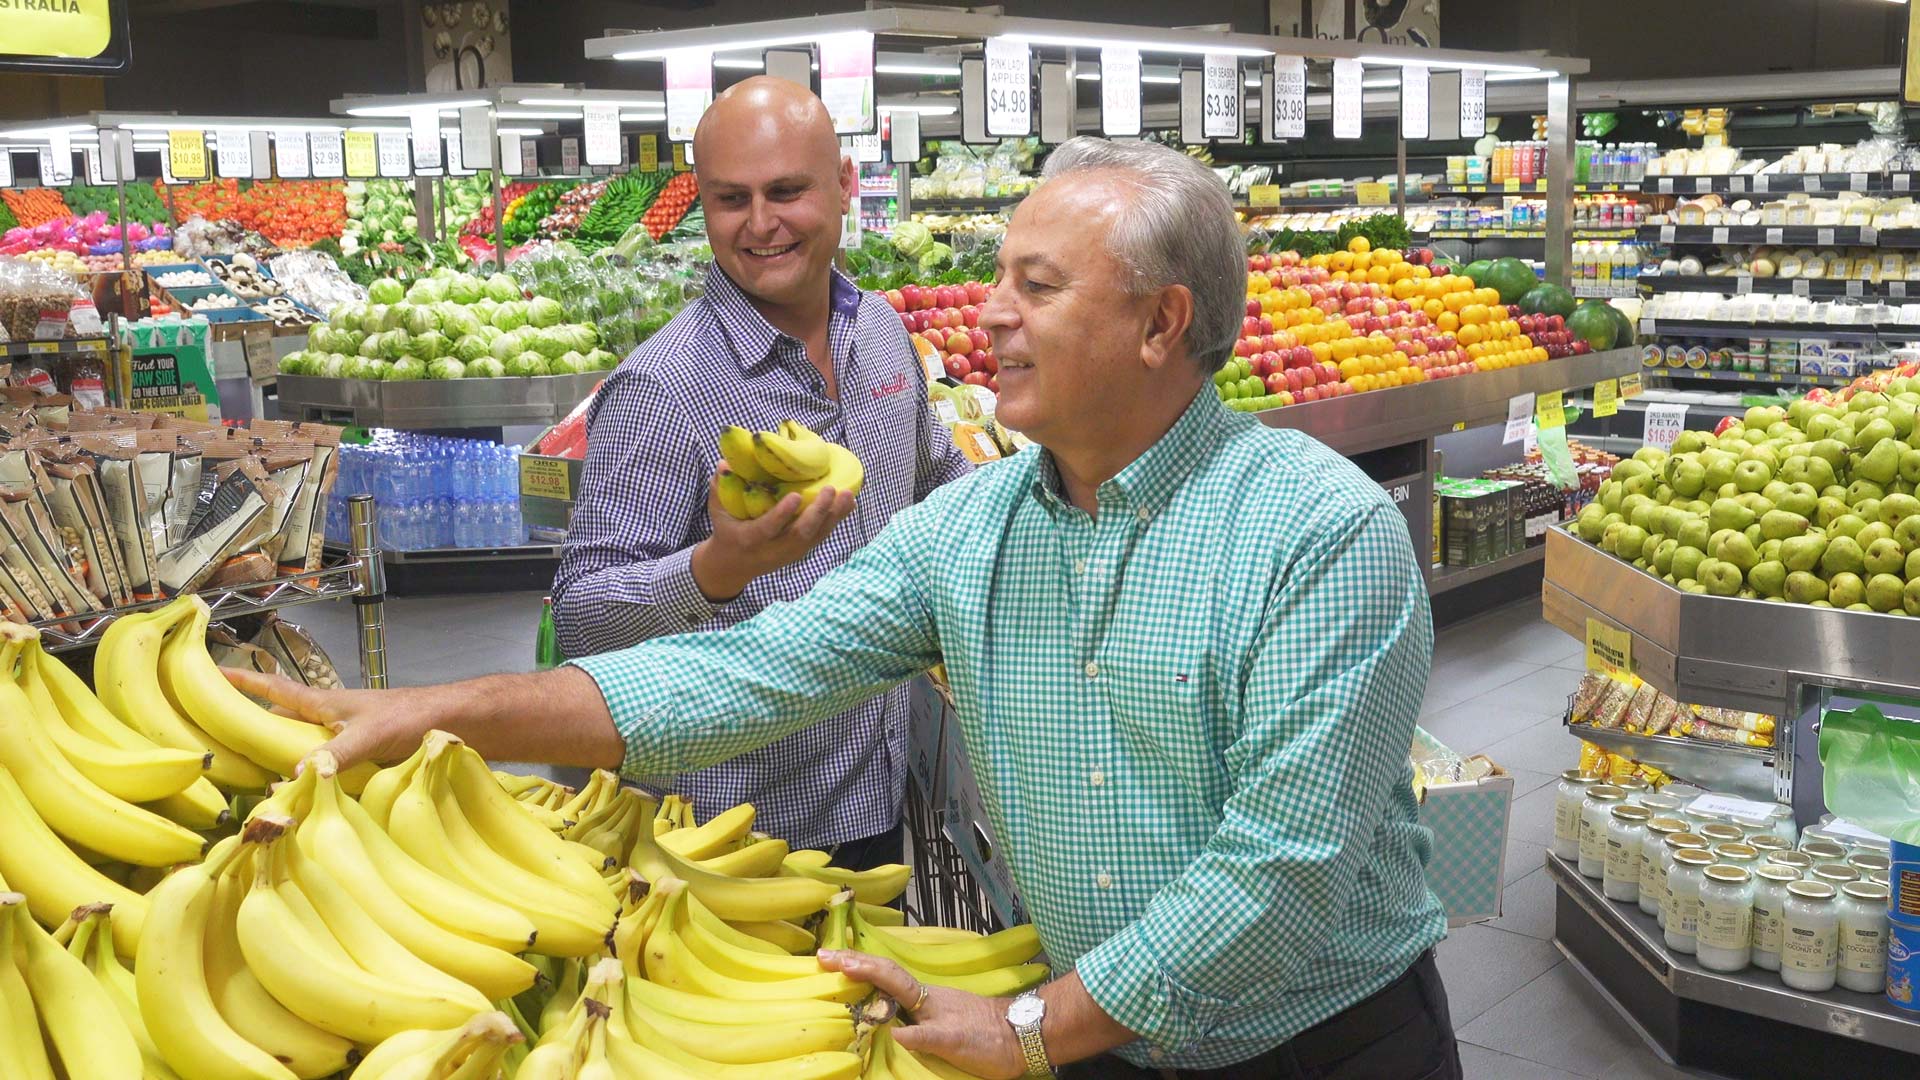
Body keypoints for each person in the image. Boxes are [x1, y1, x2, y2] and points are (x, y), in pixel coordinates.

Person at [237, 136, 1457, 1080]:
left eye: (1035, 287)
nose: (987, 315)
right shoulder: (967, 533)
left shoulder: (1319, 533)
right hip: (1098, 1042)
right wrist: (426, 715)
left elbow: (1279, 875)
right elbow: (734, 675)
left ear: (1160, 323)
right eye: (995, 280)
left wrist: (1031, 1029)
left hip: (1322, 1044)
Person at [549, 76, 971, 864]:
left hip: (877, 792)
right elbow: (581, 617)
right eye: (730, 199)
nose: (761, 224)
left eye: (785, 191)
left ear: (845, 186)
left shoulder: (879, 331)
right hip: (729, 842)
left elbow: (934, 474)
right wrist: (716, 568)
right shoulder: (663, 387)